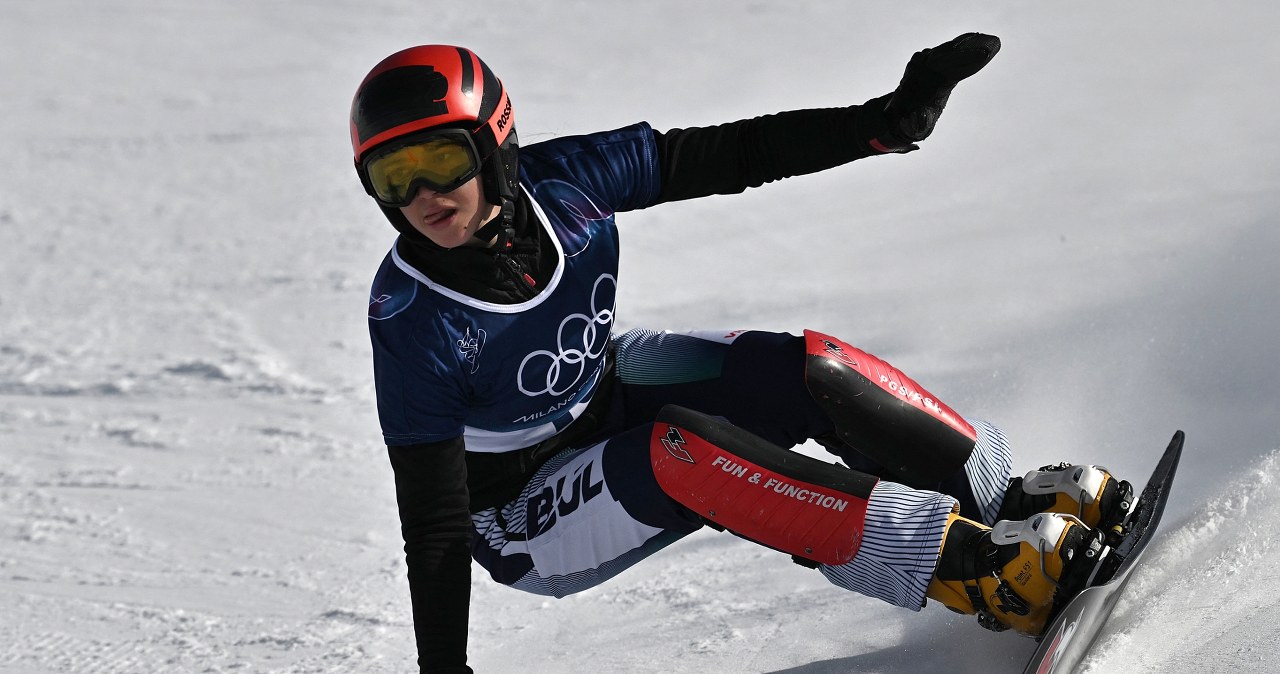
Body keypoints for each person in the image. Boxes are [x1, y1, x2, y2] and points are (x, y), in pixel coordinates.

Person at [350, 35, 1133, 673]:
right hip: (517, 516)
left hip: (606, 390)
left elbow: (722, 156)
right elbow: (436, 520)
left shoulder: (567, 184)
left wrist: (877, 126)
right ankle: (973, 571)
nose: (422, 195)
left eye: (441, 161)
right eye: (393, 176)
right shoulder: (413, 319)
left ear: (494, 145)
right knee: (681, 451)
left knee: (807, 369)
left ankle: (1007, 506)